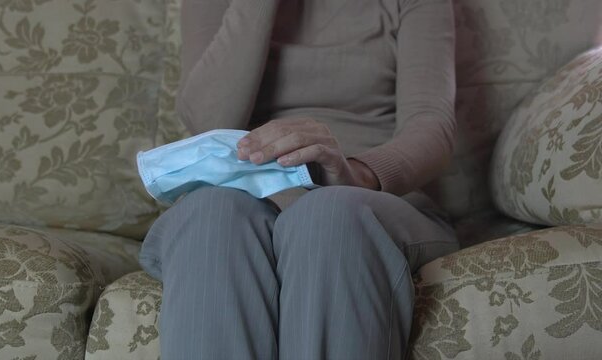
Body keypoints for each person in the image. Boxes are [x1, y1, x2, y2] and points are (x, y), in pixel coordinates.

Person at [139, 0, 459, 359]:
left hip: (367, 200)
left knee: (329, 215)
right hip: (241, 199)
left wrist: (358, 173)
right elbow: (207, 119)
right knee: (209, 216)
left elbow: (432, 125)